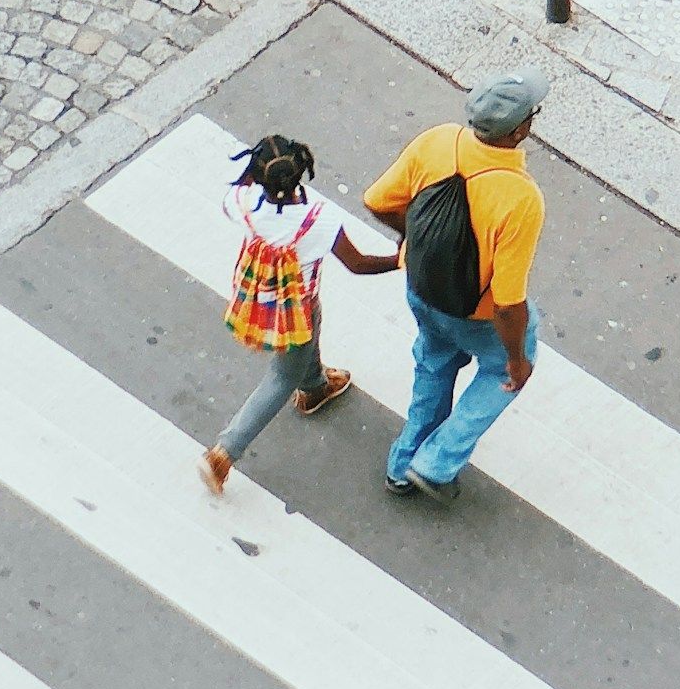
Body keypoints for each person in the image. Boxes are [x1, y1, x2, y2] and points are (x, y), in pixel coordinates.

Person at [363, 71, 550, 502]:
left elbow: (377, 200)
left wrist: (414, 241)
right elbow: (507, 303)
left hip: (422, 290)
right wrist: (517, 361)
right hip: (476, 315)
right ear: (519, 129)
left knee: (434, 363)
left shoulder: (438, 140)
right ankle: (435, 463)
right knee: (501, 372)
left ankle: (401, 466)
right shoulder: (520, 198)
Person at [200, 134, 398, 496]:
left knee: (305, 348)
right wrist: (401, 258)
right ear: (300, 172)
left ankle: (316, 388)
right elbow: (358, 263)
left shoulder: (243, 203)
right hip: (295, 310)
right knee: (281, 376)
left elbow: (240, 188)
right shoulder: (318, 219)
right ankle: (224, 452)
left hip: (260, 298)